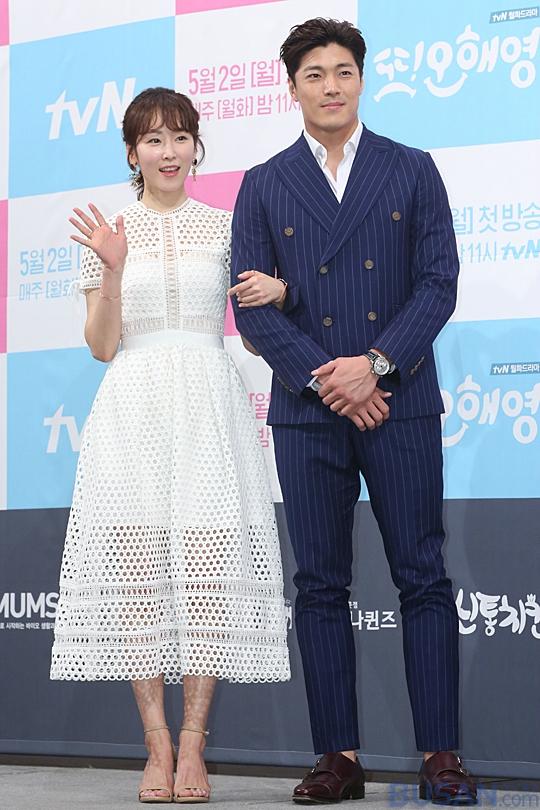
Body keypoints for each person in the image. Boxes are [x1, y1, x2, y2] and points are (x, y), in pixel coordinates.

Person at [231, 18, 477, 806]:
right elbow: (248, 303)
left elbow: (437, 282)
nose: (331, 86)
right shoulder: (264, 183)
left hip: (398, 400)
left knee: (423, 576)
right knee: (319, 584)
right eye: (314, 74)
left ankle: (441, 756)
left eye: (343, 71)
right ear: (292, 87)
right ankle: (336, 756)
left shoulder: (411, 168)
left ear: (362, 79)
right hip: (309, 412)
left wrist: (372, 367)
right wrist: (326, 378)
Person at [50, 86, 290, 805]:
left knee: (210, 574)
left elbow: (258, 330)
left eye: (180, 137)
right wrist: (112, 269)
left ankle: (193, 746)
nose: (168, 151)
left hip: (210, 407)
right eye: (153, 139)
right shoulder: (109, 232)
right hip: (132, 408)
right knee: (134, 578)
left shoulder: (226, 227)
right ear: (133, 153)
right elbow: (101, 347)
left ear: (196, 147)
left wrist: (280, 293)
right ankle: (155, 745)